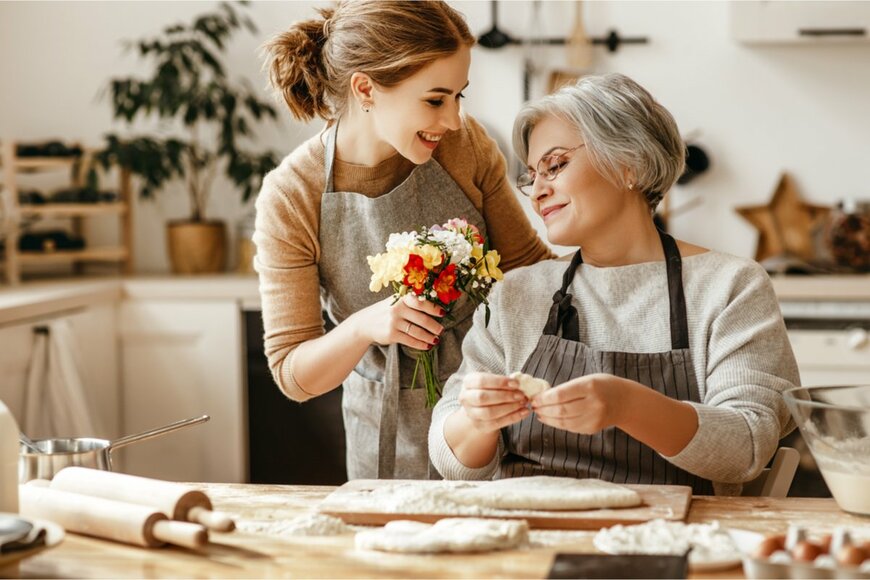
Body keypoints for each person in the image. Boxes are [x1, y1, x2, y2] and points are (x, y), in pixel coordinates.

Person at [428, 73, 800, 495]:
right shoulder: (517, 293)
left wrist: (628, 405)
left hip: (669, 540)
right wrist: (477, 420)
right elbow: (451, 461)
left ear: (631, 164)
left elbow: (747, 447)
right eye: (533, 176)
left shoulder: (730, 286)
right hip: (525, 536)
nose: (537, 193)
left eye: (555, 165)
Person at [254, 0, 553, 481]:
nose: (453, 119)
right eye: (436, 100)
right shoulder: (293, 193)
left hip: (492, 414)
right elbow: (294, 374)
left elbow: (531, 274)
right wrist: (362, 328)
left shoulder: (464, 145)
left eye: (460, 96)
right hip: (386, 438)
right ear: (366, 88)